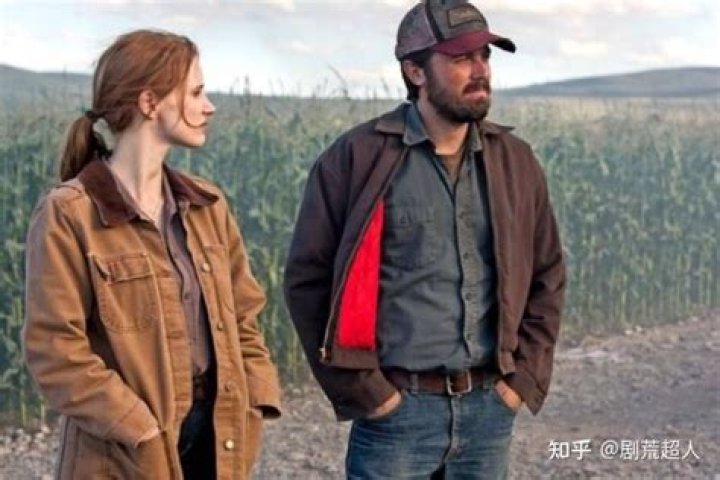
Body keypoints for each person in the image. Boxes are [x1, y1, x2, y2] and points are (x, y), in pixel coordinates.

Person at [284, 1, 566, 477]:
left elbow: (547, 274)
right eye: (461, 58)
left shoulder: (515, 161)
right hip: (396, 419)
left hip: (489, 411)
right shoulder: (357, 159)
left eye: (485, 56)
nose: (480, 71)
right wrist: (369, 393)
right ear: (415, 71)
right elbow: (307, 281)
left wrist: (521, 380)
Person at [23, 30, 281, 480]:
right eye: (196, 93)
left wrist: (256, 397)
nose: (209, 106)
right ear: (149, 102)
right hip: (124, 451)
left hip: (218, 435)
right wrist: (140, 429)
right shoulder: (70, 213)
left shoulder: (207, 206)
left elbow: (243, 316)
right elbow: (55, 349)